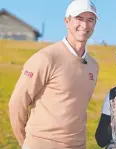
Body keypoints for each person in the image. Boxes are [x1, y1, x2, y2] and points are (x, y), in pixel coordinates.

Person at [8, 0, 99, 149]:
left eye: (90, 20)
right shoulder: (46, 58)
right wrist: (26, 143)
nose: (84, 25)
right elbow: (17, 103)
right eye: (79, 18)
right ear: (67, 21)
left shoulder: (93, 66)